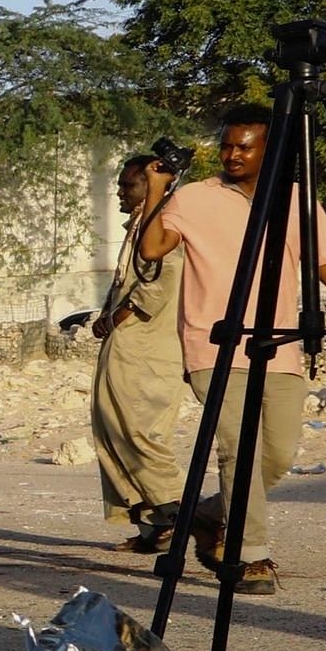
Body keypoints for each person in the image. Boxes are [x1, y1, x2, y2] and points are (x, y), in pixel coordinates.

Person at [136, 107, 326, 594]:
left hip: (279, 344)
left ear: (271, 149)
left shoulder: (299, 201)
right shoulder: (194, 198)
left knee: (276, 457)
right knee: (239, 448)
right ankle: (250, 556)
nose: (232, 154)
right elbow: (152, 249)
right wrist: (158, 189)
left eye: (245, 146)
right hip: (214, 341)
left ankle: (208, 515)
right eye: (227, 144)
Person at [89, 152, 190, 553]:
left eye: (128, 185)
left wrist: (118, 317)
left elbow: (159, 283)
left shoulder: (166, 226)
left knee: (140, 433)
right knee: (112, 428)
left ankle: (180, 513)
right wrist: (106, 315)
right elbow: (125, 284)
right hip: (127, 342)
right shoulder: (138, 228)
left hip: (150, 345)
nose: (118, 192)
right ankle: (153, 527)